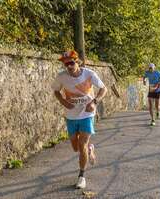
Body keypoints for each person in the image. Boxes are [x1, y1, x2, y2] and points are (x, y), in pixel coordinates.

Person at [52, 50, 107, 189]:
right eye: (66, 64)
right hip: (71, 115)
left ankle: (81, 176)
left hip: (87, 114)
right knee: (76, 148)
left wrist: (94, 102)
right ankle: (90, 148)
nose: (69, 66)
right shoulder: (61, 77)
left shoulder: (89, 74)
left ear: (77, 61)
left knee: (81, 144)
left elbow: (103, 89)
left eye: (71, 63)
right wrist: (63, 102)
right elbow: (56, 91)